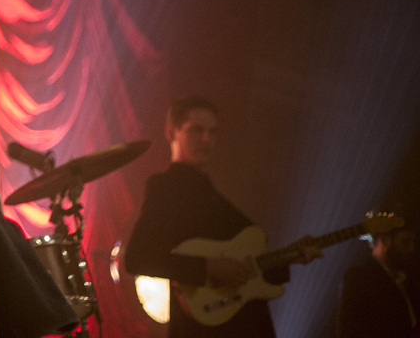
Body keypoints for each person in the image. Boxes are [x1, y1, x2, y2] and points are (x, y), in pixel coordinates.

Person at [125, 96, 321, 337]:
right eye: (196, 130)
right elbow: (137, 257)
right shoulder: (166, 187)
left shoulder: (210, 192)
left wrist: (292, 256)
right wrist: (208, 267)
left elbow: (246, 269)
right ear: (170, 133)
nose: (206, 140)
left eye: (212, 132)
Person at [337, 219, 417, 338]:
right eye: (405, 242)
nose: (412, 248)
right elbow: (349, 332)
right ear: (384, 241)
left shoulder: (406, 278)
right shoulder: (359, 278)